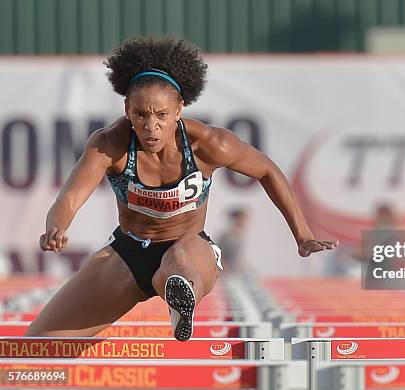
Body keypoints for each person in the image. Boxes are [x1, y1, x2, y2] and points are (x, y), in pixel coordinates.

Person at [27, 37, 337, 341]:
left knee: (179, 260)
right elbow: (70, 197)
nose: (151, 128)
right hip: (128, 252)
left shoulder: (209, 144)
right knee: (37, 346)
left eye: (161, 116)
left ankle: (180, 299)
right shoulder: (111, 144)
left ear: (179, 110)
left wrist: (302, 234)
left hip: (189, 247)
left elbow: (267, 170)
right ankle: (175, 293)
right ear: (127, 109)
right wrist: (56, 227)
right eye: (141, 115)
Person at [216, 208, 250, 273]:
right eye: (243, 218)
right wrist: (224, 267)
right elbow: (218, 253)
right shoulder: (227, 235)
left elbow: (239, 256)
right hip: (225, 272)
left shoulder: (242, 235)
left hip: (237, 270)